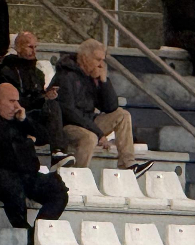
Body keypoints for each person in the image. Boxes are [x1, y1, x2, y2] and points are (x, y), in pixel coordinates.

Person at [0, 82, 68, 245]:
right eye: (11, 101)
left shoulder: (19, 119)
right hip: (0, 173)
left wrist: (24, 121)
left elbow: (43, 136)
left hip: (28, 173)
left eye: (18, 101)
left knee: (58, 190)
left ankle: (36, 234)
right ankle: (24, 233)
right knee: (13, 189)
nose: (17, 106)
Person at [55, 39, 139, 171]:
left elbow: (110, 107)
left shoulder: (92, 77)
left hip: (89, 122)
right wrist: (98, 133)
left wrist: (104, 81)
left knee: (122, 115)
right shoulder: (65, 76)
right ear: (84, 58)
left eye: (103, 60)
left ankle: (128, 164)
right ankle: (78, 175)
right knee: (90, 137)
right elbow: (68, 111)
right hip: (68, 125)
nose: (101, 65)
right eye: (97, 60)